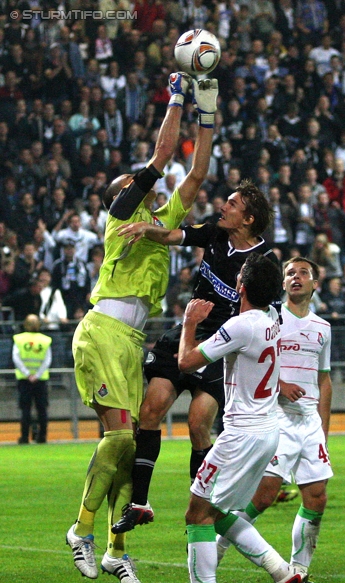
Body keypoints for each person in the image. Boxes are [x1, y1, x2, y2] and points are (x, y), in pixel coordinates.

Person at [66, 73, 218, 583]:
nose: (146, 191)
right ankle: (82, 530)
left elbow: (196, 173)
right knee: (117, 437)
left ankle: (115, 549)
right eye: (135, 188)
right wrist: (175, 97)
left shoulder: (158, 220)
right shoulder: (121, 215)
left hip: (130, 341)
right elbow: (159, 159)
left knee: (129, 445)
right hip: (105, 329)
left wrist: (208, 113)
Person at [111, 179, 279, 534]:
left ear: (247, 219)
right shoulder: (215, 233)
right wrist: (145, 228)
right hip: (187, 328)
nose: (223, 206)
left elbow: (272, 317)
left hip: (222, 343)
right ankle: (139, 503)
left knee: (198, 423)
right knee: (150, 410)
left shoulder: (264, 261)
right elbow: (173, 236)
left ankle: (198, 511)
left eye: (231, 204)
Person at [171, 253, 306, 583]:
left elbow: (186, 362)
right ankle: (284, 573)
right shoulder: (273, 320)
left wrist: (189, 323)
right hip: (266, 432)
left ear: (241, 286)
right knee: (220, 513)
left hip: (241, 435)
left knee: (197, 515)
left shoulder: (240, 326)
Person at [216, 257, 333, 583]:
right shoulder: (269, 318)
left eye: (303, 273)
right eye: (289, 273)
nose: (296, 278)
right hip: (275, 416)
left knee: (317, 497)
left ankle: (299, 572)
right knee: (265, 495)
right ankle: (219, 547)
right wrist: (280, 384)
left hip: (309, 422)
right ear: (282, 284)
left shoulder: (323, 328)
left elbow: (324, 381)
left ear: (315, 283)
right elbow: (253, 358)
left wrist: (322, 429)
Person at [13, 314, 52, 444]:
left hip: (24, 380)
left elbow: (16, 358)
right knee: (42, 409)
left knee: (25, 409)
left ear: (25, 324)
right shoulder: (45, 340)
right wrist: (37, 375)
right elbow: (47, 360)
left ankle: (24, 438)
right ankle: (42, 437)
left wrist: (27, 374)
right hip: (40, 380)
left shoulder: (19, 339)